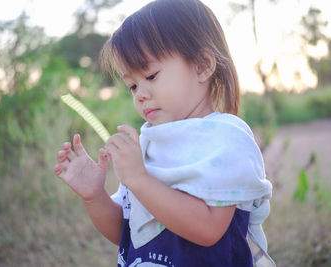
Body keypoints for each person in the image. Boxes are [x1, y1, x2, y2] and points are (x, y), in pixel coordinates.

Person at [54, 0, 274, 266]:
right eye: (132, 86)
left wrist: (139, 179)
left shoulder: (224, 139)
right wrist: (94, 196)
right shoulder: (149, 145)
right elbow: (128, 234)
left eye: (151, 76)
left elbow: (208, 230)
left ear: (202, 65)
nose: (141, 95)